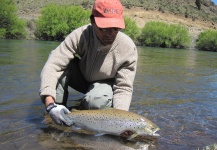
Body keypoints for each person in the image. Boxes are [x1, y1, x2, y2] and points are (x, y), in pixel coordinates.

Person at [39, 0, 138, 126]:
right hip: (81, 77)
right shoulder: (81, 35)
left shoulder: (128, 48)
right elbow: (53, 65)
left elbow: (124, 88)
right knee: (56, 58)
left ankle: (86, 110)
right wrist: (50, 105)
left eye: (115, 28)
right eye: (104, 28)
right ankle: (56, 111)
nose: (110, 34)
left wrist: (121, 121)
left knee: (96, 102)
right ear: (92, 21)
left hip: (104, 85)